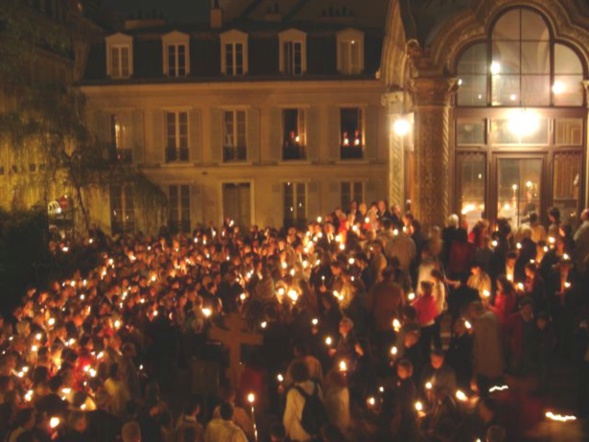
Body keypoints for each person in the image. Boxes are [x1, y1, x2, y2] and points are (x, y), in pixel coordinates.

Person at [283, 360, 324, 441]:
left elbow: (289, 415)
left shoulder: (293, 393)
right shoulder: (316, 386)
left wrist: (284, 433)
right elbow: (322, 404)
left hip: (300, 433)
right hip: (316, 431)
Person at [469, 302, 504, 395]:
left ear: (474, 311)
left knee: (485, 391)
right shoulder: (493, 316)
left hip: (485, 364)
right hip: (498, 362)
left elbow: (479, 345)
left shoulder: (480, 322)